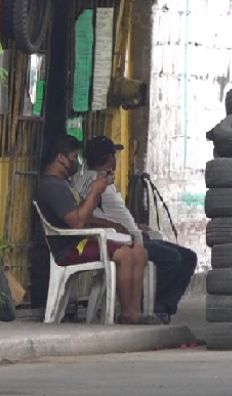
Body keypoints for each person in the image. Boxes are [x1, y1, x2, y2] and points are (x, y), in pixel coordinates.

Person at [73, 136, 198, 325]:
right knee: (174, 259)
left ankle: (159, 306)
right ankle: (155, 306)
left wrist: (134, 224)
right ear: (109, 157)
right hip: (126, 240)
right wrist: (114, 226)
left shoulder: (91, 179)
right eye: (114, 155)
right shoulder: (96, 181)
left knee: (187, 257)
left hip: (134, 234)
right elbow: (86, 214)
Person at [34, 134, 154, 325]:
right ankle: (127, 313)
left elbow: (85, 214)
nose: (76, 163)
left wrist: (110, 224)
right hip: (70, 246)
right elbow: (77, 222)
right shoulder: (52, 187)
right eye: (74, 158)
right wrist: (95, 191)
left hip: (83, 239)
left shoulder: (64, 184)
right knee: (124, 255)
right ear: (61, 158)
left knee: (139, 251)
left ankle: (134, 312)